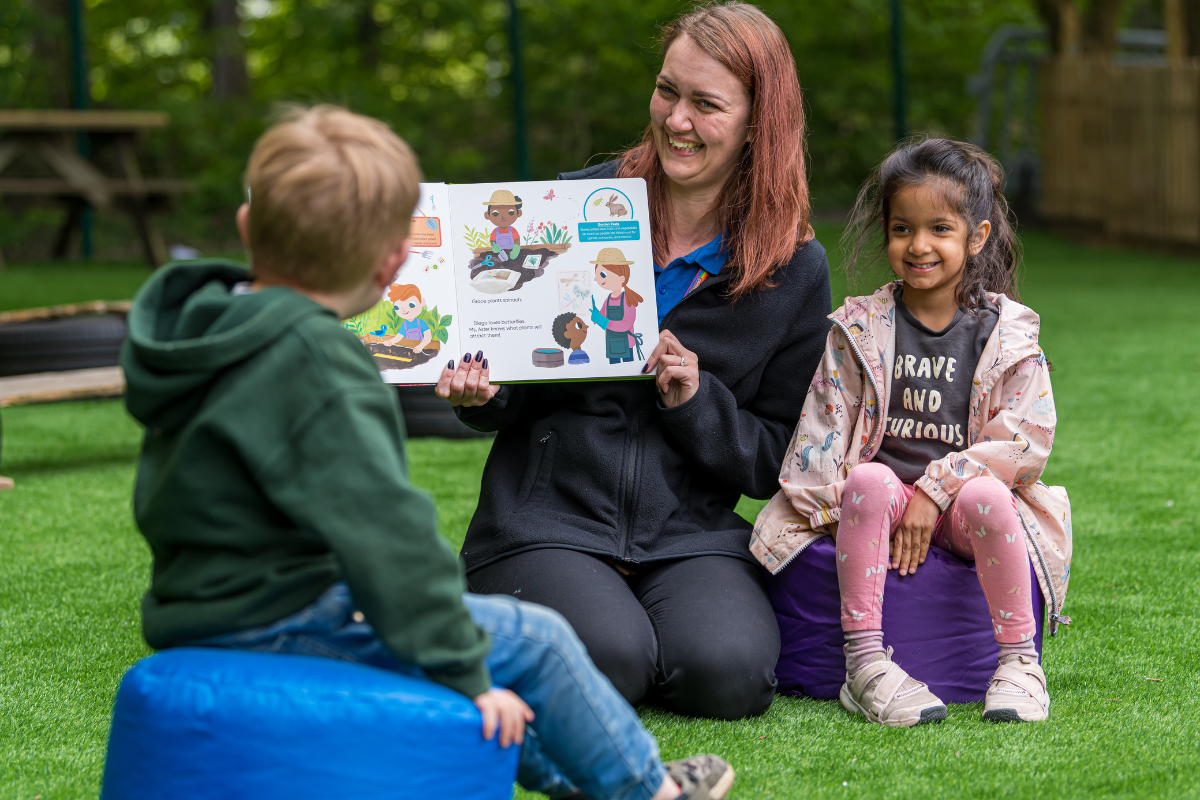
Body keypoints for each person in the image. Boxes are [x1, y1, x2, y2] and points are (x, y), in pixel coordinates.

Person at [119, 105, 734, 800]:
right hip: (284, 616)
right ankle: (650, 791)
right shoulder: (321, 360)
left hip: (189, 605)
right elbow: (389, 540)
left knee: (485, 660)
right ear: (391, 267)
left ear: (244, 226)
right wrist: (464, 670)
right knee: (540, 642)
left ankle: (572, 781)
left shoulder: (204, 330)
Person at [436, 2, 832, 721]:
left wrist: (694, 399)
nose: (676, 119)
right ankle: (501, 609)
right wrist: (480, 395)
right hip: (545, 522)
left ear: (757, 122)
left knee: (729, 677)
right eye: (667, 90)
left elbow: (777, 454)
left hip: (691, 537)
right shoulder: (573, 206)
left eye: (706, 104)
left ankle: (592, 625)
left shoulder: (794, 265)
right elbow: (508, 389)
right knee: (612, 661)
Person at [751, 138, 1073, 727]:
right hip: (879, 503)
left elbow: (1026, 445)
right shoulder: (859, 331)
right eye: (902, 228)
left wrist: (934, 491)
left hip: (956, 510)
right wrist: (852, 512)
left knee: (986, 493)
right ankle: (866, 663)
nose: (918, 246)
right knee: (869, 481)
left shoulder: (1007, 336)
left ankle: (1019, 663)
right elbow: (816, 441)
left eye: (939, 230)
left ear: (975, 238)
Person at [589, 248, 645, 363]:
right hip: (611, 345)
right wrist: (595, 315)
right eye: (597, 274)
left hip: (626, 345)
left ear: (621, 278)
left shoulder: (627, 300)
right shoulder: (608, 299)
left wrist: (604, 322)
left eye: (602, 274)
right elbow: (601, 317)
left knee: (628, 369)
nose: (596, 278)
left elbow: (626, 324)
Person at [383, 283, 432, 351]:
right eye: (397, 307)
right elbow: (398, 337)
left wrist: (420, 347)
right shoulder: (404, 325)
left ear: (422, 302)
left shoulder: (421, 323)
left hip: (422, 350)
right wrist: (390, 341)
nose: (404, 310)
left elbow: (428, 337)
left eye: (411, 304)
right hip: (409, 350)